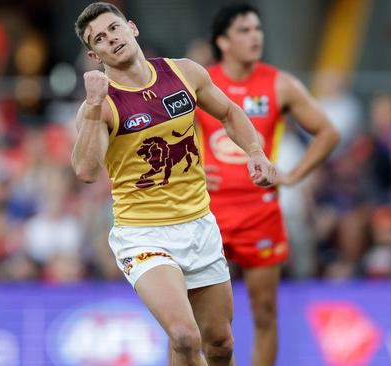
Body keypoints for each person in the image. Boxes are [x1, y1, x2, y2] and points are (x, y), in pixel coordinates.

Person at [71, 3, 278, 365]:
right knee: (184, 336)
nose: (111, 39)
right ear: (94, 54)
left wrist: (255, 151)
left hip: (198, 225)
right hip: (143, 234)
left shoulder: (183, 73)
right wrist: (91, 103)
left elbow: (229, 112)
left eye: (114, 28)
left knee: (221, 344)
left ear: (131, 28)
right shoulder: (101, 106)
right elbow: (86, 170)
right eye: (99, 39)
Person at [196, 4, 338, 365]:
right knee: (202, 323)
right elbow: (162, 135)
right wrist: (192, 171)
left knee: (264, 312)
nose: (256, 36)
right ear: (223, 42)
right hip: (207, 213)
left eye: (257, 28)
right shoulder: (198, 83)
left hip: (260, 212)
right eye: (244, 30)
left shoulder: (280, 83)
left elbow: (328, 132)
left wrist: (291, 176)